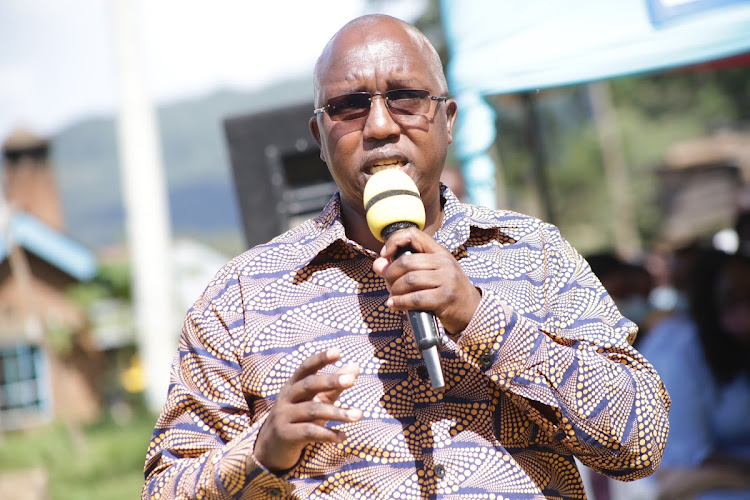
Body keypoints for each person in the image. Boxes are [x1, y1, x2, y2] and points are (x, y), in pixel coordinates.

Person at [141, 14, 669, 499]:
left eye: (405, 98)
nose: (379, 126)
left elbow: (641, 440)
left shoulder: (533, 254)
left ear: (448, 119)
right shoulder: (241, 297)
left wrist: (478, 316)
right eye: (349, 106)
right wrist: (261, 451)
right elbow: (164, 488)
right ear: (319, 138)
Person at [639, 249, 750, 500]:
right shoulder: (679, 349)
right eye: (733, 300)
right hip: (699, 482)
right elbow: (690, 453)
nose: (745, 310)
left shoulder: (740, 347)